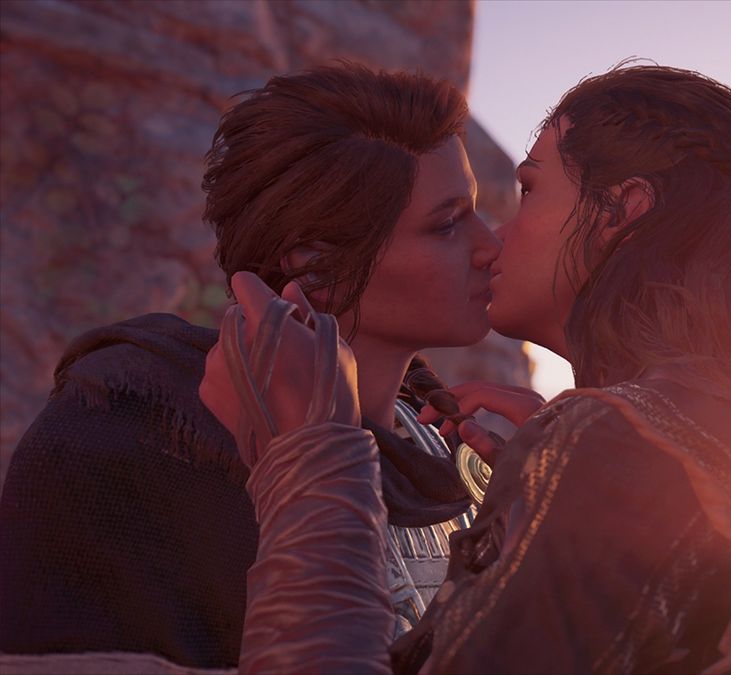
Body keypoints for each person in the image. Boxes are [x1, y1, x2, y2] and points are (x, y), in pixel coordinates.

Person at [202, 63, 731, 674]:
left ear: (621, 211)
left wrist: (311, 455)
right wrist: (543, 497)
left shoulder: (614, 447)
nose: (495, 239)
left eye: (529, 190)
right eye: (448, 223)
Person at [0, 63, 500, 668]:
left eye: (473, 212)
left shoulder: (448, 449)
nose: (490, 245)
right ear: (315, 263)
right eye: (446, 225)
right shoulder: (132, 433)